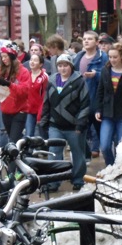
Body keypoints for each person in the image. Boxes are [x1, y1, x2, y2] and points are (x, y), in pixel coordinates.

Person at [39, 54, 90, 191]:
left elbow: (85, 104)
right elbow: (46, 103)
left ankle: (78, 179)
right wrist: (43, 120)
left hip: (74, 126)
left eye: (65, 65)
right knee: (54, 153)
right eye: (60, 65)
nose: (62, 68)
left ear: (71, 66)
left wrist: (80, 124)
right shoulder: (51, 81)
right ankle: (53, 181)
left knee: (78, 152)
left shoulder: (79, 81)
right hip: (55, 124)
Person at [94, 44, 122, 166]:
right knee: (104, 146)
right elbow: (100, 91)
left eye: (115, 57)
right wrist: (98, 109)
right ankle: (112, 167)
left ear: (121, 56)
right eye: (110, 57)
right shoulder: (105, 70)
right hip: (108, 113)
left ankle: (121, 169)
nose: (112, 60)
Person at [72, 31, 108, 159]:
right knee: (79, 133)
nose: (86, 41)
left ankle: (107, 158)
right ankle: (85, 159)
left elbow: (108, 76)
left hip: (97, 101)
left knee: (101, 135)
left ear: (97, 42)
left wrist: (96, 75)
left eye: (90, 39)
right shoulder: (78, 57)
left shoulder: (103, 57)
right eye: (85, 39)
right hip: (81, 101)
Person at [0, 44, 31, 144]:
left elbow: (24, 91)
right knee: (13, 139)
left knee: (13, 141)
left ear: (12, 57)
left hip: (19, 111)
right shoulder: (1, 71)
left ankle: (16, 157)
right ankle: (23, 152)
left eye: (5, 56)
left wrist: (9, 84)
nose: (3, 59)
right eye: (2, 57)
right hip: (5, 110)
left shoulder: (23, 71)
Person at [23, 53, 49, 137]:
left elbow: (45, 96)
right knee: (29, 134)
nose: (32, 62)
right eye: (31, 60)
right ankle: (28, 150)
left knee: (40, 136)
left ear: (41, 64)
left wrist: (40, 114)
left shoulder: (44, 77)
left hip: (41, 110)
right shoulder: (27, 75)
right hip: (29, 110)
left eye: (35, 60)